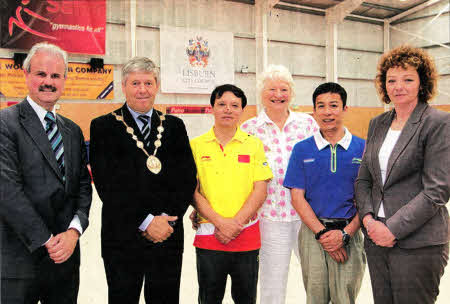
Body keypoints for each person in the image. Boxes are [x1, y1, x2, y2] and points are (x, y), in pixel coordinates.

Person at [89, 57, 197, 304]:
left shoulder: (174, 126)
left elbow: (186, 178)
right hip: (123, 235)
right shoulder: (103, 127)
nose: (142, 89)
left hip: (167, 233)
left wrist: (165, 220)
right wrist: (146, 221)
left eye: (148, 83)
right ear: (124, 86)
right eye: (135, 83)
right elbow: (108, 185)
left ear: (156, 86)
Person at [355, 45, 449, 304]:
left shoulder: (438, 123)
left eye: (408, 79)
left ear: (422, 83)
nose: (398, 86)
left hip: (417, 243)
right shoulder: (378, 124)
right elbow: (364, 179)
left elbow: (437, 190)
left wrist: (392, 229)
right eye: (391, 80)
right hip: (375, 239)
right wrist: (368, 220)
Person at [0, 42, 92, 303]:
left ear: (64, 80)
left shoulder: (72, 130)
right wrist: (48, 240)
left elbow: (83, 187)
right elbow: (7, 191)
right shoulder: (5, 124)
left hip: (65, 261)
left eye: (55, 76)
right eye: (41, 74)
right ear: (26, 75)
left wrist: (74, 232)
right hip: (20, 262)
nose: (48, 82)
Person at [240, 64, 318, 303]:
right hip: (270, 219)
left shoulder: (308, 124)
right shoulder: (249, 129)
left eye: (284, 89)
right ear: (262, 94)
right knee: (272, 285)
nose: (278, 95)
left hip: (308, 216)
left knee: (317, 280)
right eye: (271, 89)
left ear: (291, 93)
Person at [284, 82, 366, 304]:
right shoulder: (302, 149)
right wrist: (322, 234)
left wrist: (345, 234)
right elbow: (297, 197)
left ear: (345, 109)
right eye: (321, 106)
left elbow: (367, 199)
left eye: (334, 105)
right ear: (314, 112)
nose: (327, 112)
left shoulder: (363, 148)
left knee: (345, 298)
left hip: (349, 233)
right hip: (313, 235)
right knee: (315, 297)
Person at [190, 84, 273, 304]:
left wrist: (235, 223)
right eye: (222, 104)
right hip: (209, 235)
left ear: (242, 110)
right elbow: (192, 190)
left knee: (246, 299)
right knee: (209, 299)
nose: (228, 109)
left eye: (234, 105)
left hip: (245, 235)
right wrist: (219, 222)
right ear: (212, 108)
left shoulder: (254, 145)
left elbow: (260, 189)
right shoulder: (196, 146)